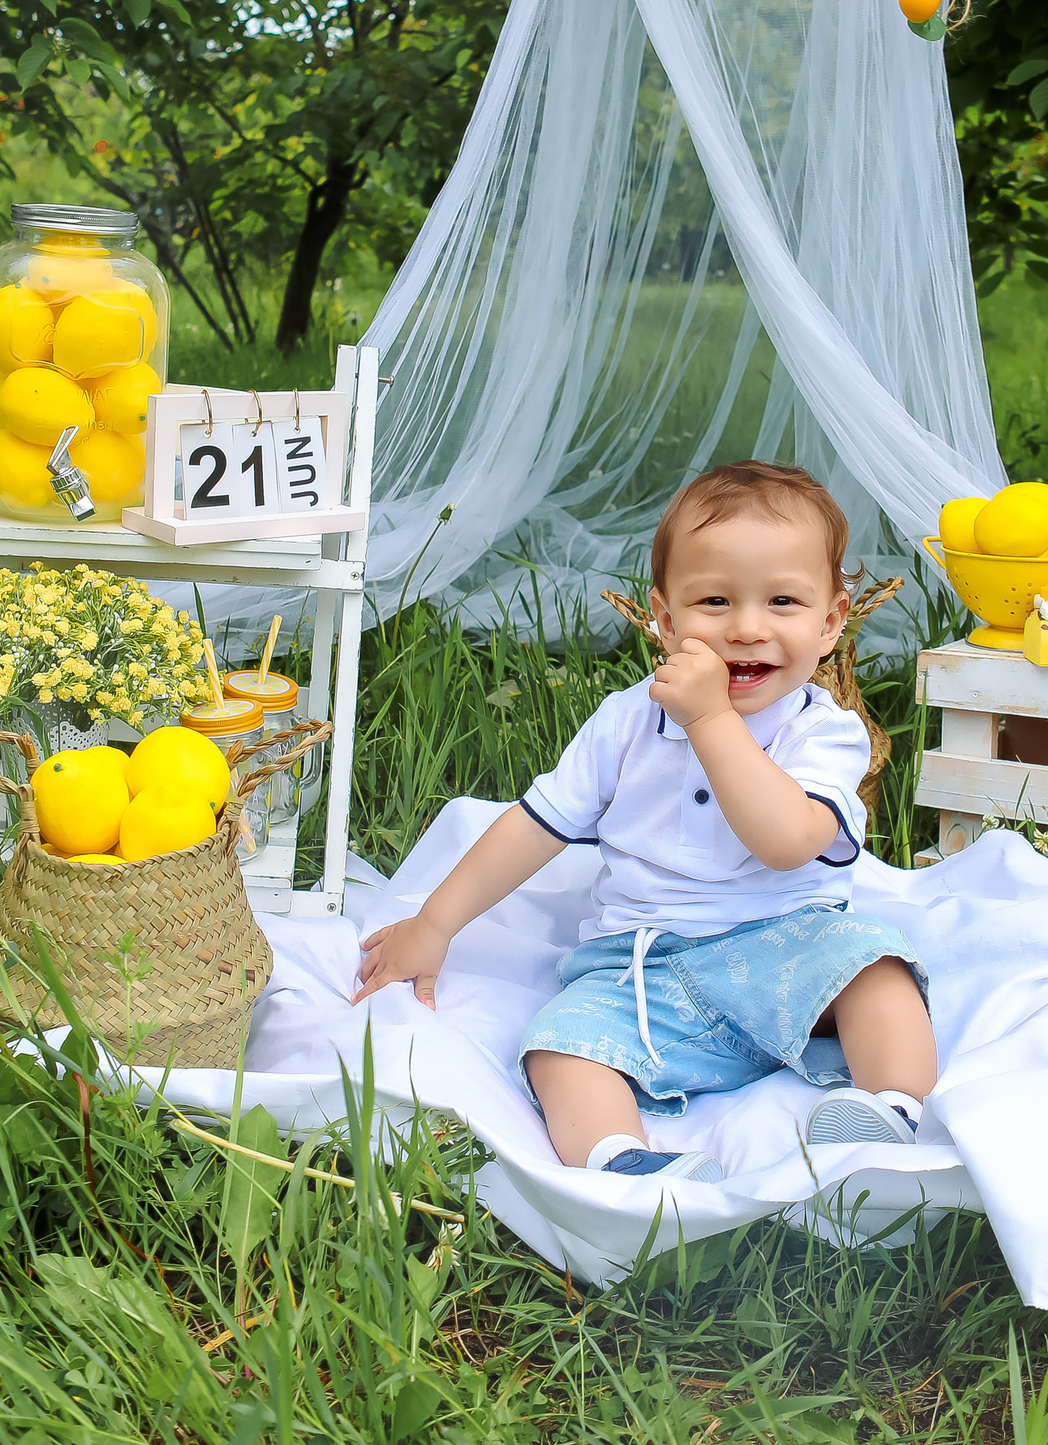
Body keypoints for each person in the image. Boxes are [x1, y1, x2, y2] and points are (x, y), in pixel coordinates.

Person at [351, 461, 936, 1181]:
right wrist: (434, 923)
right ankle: (623, 1161)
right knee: (556, 1047)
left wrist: (712, 719)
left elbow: (788, 842)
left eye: (782, 601)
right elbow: (535, 825)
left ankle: (888, 1111)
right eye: (715, 601)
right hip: (641, 964)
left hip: (789, 949)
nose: (747, 628)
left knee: (876, 966)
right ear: (664, 619)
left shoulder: (824, 732)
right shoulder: (627, 722)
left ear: (830, 622)